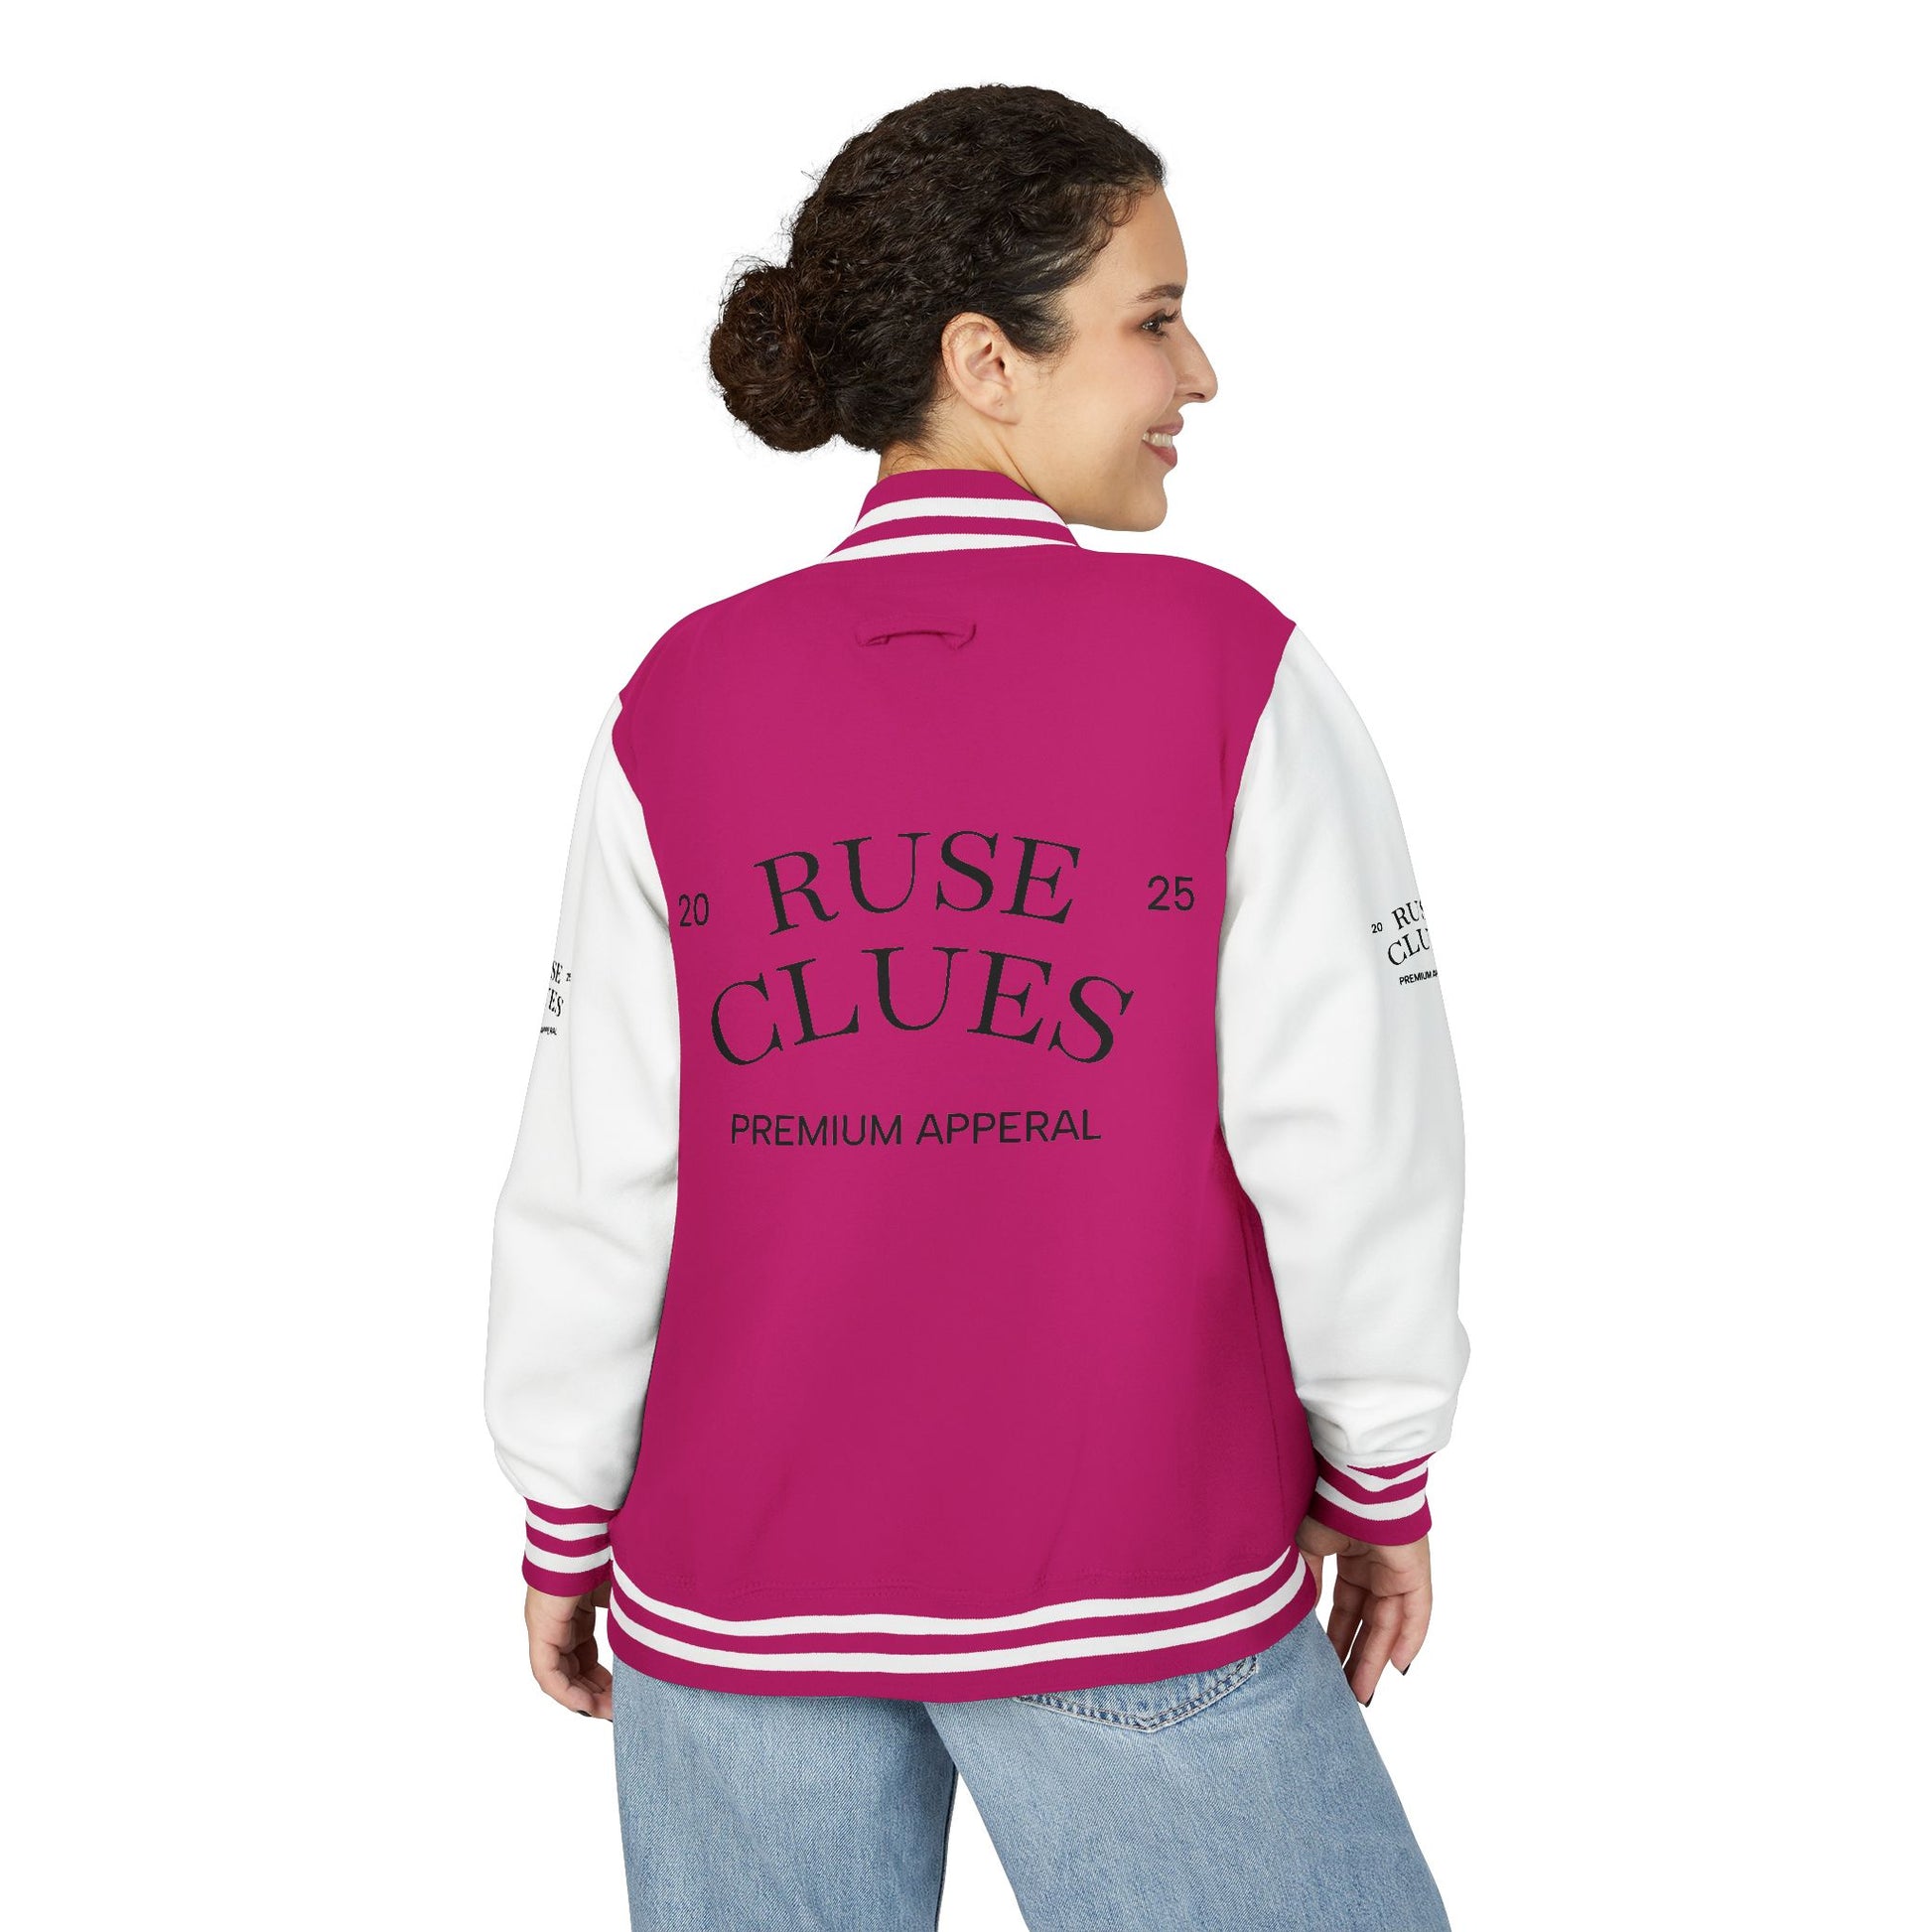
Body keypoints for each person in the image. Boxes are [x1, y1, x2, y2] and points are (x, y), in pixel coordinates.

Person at [483, 82, 1470, 1932]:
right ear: (984, 361)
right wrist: (1381, 1464)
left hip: (733, 1598)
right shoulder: (1228, 666)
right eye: (1152, 318)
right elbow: (1350, 1125)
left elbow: (598, 1165)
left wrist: (564, 1508)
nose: (1197, 373)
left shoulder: (680, 697)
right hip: (1129, 1571)